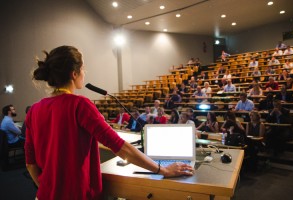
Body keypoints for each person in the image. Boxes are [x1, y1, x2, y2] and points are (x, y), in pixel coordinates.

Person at [25, 46, 193, 199]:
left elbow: (30, 164)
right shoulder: (79, 105)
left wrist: (48, 188)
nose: (85, 72)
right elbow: (121, 147)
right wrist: (162, 169)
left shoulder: (34, 110)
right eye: (83, 68)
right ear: (74, 74)